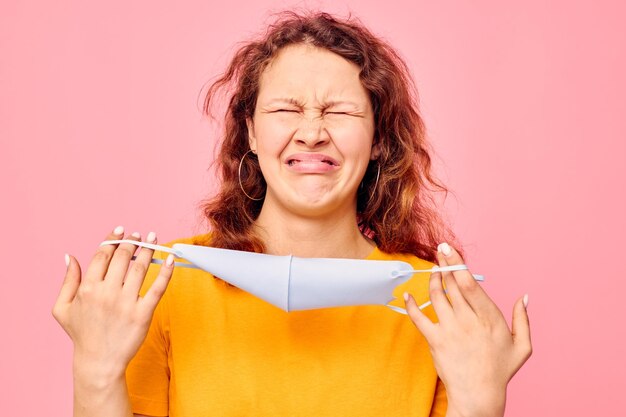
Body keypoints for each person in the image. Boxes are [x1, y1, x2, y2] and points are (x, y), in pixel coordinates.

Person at [52, 11, 532, 417]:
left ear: (380, 139)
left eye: (339, 112)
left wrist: (479, 402)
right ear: (252, 134)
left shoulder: (438, 305)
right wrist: (95, 370)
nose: (311, 133)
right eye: (286, 109)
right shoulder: (165, 285)